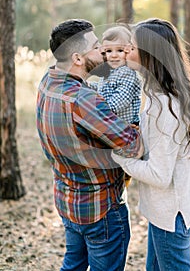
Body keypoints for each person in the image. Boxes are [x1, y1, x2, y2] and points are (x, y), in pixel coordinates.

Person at [36, 19, 143, 271]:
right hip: (100, 208)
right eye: (96, 47)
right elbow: (133, 145)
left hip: (67, 200)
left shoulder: (48, 82)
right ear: (78, 58)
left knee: (72, 265)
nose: (103, 52)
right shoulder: (83, 100)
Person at [112, 18, 190, 271]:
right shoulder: (164, 93)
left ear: (149, 55)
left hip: (173, 214)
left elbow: (159, 175)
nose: (126, 51)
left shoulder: (164, 108)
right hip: (174, 209)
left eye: (132, 47)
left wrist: (119, 158)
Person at [88, 25, 142, 187]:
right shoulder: (111, 72)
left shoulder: (127, 74)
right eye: (109, 51)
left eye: (119, 50)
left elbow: (118, 102)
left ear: (128, 50)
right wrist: (88, 88)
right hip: (115, 128)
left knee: (119, 170)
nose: (113, 56)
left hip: (126, 130)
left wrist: (96, 108)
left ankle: (119, 187)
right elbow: (103, 90)